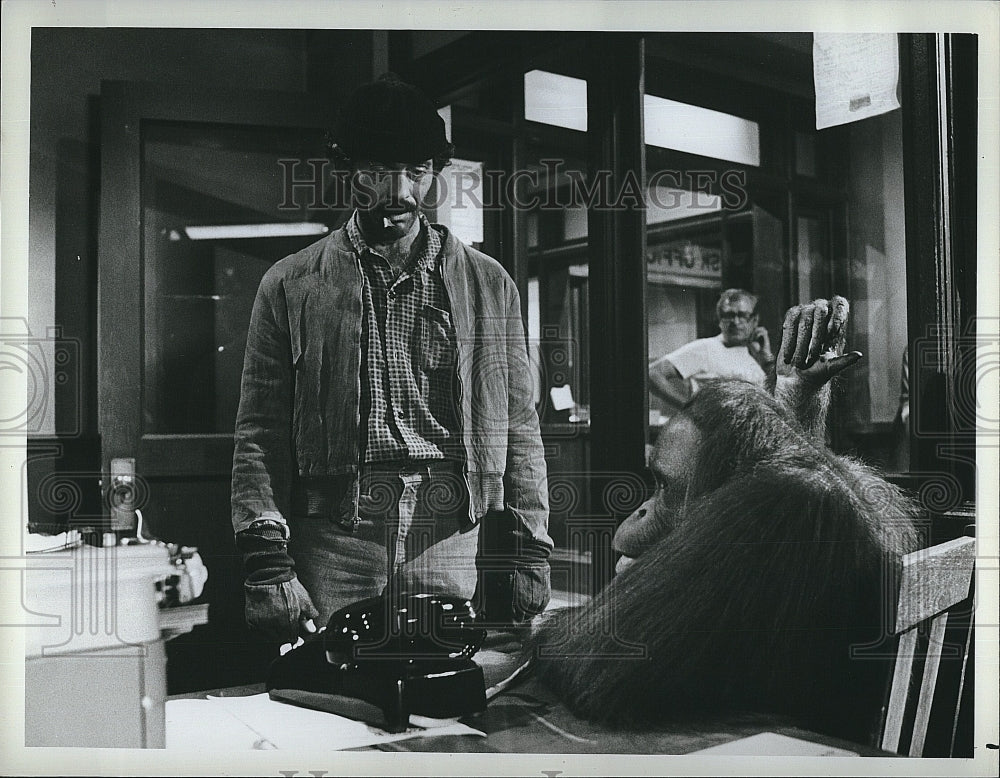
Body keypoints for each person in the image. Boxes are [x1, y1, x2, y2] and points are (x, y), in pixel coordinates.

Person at [231, 73, 552, 646]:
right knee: (336, 698)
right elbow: (260, 432)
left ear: (434, 173)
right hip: (336, 538)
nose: (400, 191)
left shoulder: (488, 284)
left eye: (418, 170)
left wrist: (529, 547)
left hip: (449, 529)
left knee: (439, 696)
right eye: (379, 170)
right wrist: (266, 559)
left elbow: (519, 423)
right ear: (349, 170)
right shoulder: (290, 284)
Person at [527, 297, 920, 744]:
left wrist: (576, 621)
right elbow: (782, 465)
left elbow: (595, 670)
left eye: (666, 488)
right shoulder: (804, 497)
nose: (639, 515)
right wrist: (797, 397)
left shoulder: (759, 520)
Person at [648, 288, 774, 413]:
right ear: (719, 320)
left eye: (742, 315)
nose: (735, 322)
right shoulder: (706, 347)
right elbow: (652, 373)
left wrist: (767, 360)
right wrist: (689, 409)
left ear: (755, 320)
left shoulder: (756, 354)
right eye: (728, 315)